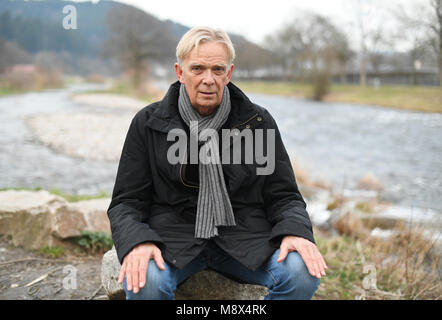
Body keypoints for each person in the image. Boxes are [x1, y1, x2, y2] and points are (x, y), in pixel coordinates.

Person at [107, 26, 327, 300]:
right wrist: (138, 242)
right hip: (172, 238)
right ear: (179, 72)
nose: (208, 79)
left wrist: (295, 233)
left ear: (229, 74)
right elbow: (127, 202)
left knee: (301, 272)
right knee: (146, 280)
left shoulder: (257, 122)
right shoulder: (148, 122)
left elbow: (283, 196)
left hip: (246, 237)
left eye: (217, 70)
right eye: (197, 68)